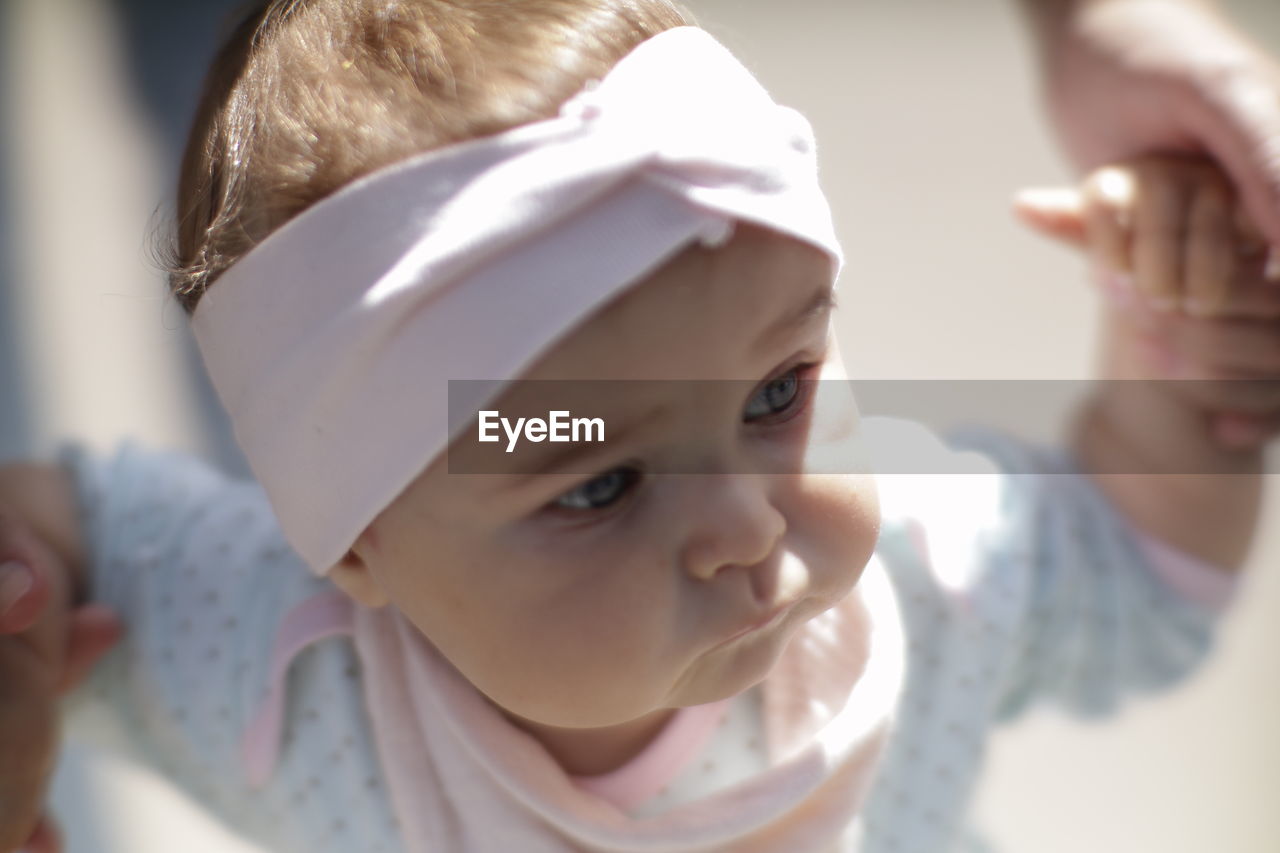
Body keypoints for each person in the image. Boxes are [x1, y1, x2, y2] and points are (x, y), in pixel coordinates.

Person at [0, 1, 1278, 851]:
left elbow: (1133, 574)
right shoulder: (281, 674)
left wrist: (1190, 348)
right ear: (348, 539)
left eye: (776, 392)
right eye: (598, 483)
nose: (742, 524)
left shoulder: (918, 585)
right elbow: (72, 527)